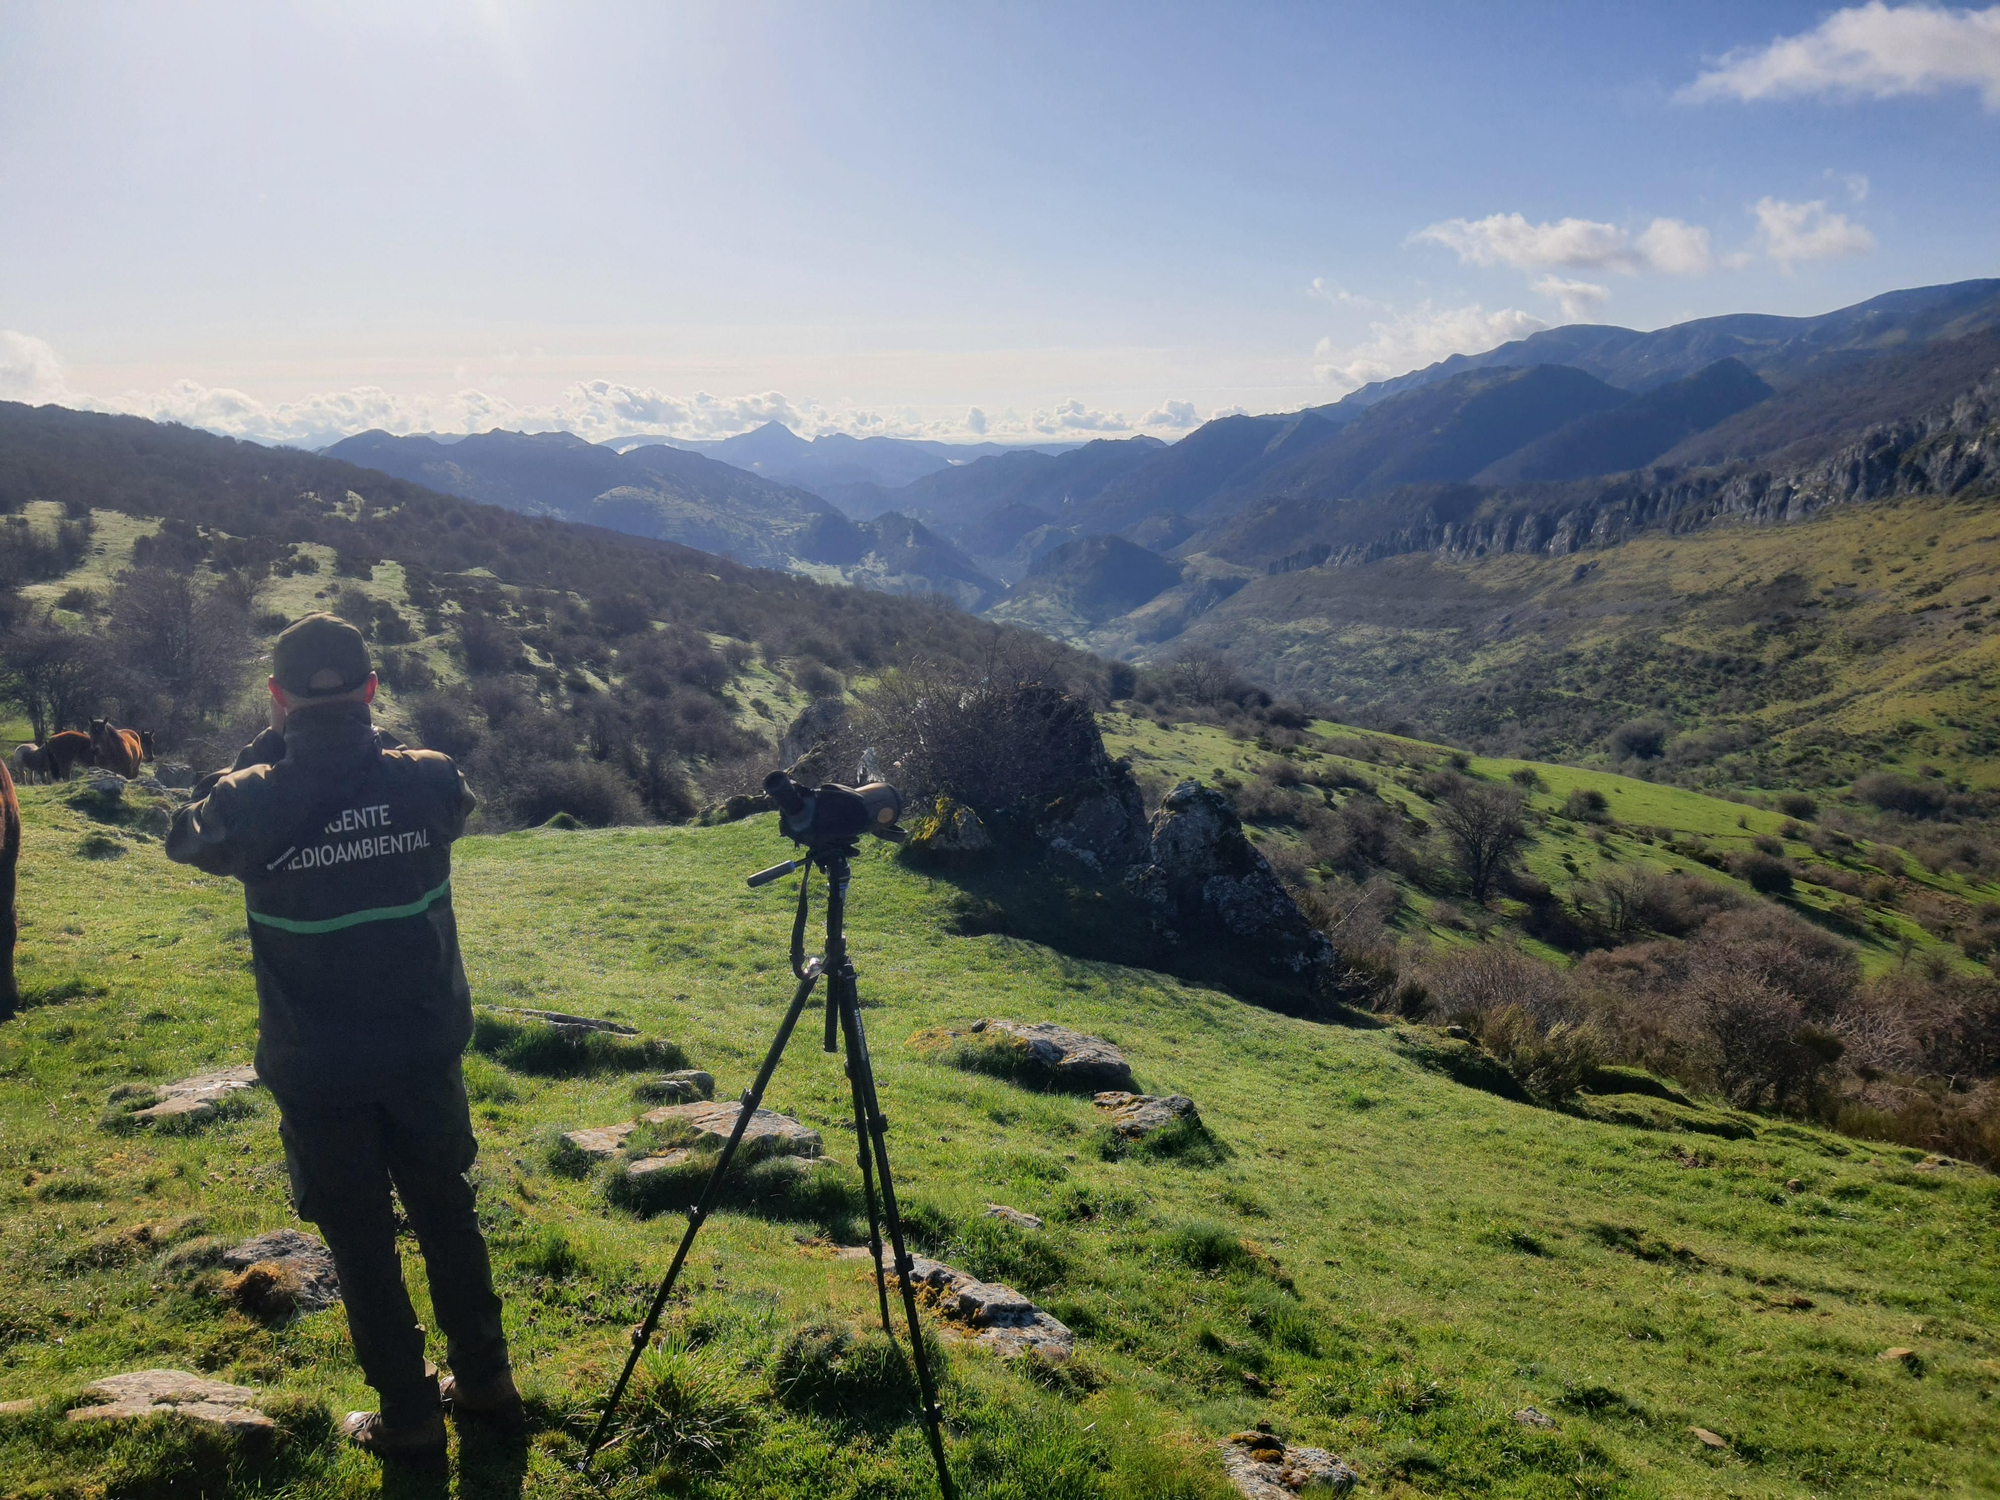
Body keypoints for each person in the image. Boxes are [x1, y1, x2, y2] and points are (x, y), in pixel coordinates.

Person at [167, 612, 518, 1467]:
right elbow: (444, 801)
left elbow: (183, 838)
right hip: (423, 1050)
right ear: (370, 691)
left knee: (361, 1242)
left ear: (279, 700)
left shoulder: (245, 800)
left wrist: (272, 747)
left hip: (318, 1067)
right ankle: (486, 1383)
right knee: (446, 1212)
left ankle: (408, 1417)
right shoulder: (431, 779)